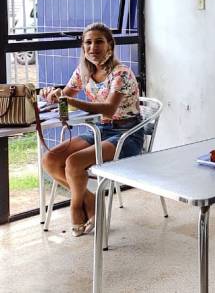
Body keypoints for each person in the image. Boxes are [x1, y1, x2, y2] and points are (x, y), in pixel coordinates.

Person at [41, 22, 142, 237]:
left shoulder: (121, 73)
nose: (93, 47)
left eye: (99, 42)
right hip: (100, 130)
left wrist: (70, 101)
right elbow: (65, 96)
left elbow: (109, 107)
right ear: (83, 47)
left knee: (73, 162)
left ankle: (75, 208)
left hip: (127, 135)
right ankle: (90, 199)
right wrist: (53, 96)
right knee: (50, 160)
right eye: (88, 42)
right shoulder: (83, 71)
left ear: (110, 46)